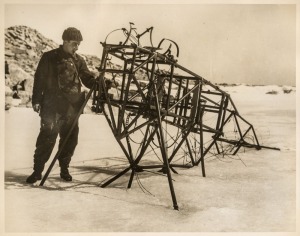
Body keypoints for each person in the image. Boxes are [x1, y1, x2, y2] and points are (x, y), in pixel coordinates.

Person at [26, 27, 96, 184]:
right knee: (46, 138)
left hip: (71, 108)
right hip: (51, 106)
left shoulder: (79, 61)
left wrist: (98, 83)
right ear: (65, 41)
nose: (77, 47)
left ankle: (64, 169)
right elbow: (39, 80)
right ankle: (37, 172)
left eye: (78, 44)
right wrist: (36, 100)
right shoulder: (49, 57)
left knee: (69, 140)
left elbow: (87, 79)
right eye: (74, 44)